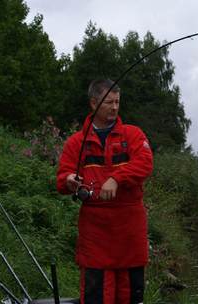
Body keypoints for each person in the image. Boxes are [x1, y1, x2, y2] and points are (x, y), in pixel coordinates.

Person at [56, 79, 153, 304]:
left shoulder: (133, 134)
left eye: (117, 101)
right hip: (95, 232)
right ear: (93, 103)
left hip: (129, 228)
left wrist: (116, 178)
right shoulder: (75, 143)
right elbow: (62, 179)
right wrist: (69, 180)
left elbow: (145, 164)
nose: (114, 107)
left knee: (130, 297)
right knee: (96, 296)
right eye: (109, 102)